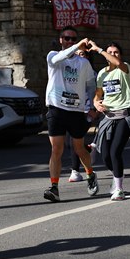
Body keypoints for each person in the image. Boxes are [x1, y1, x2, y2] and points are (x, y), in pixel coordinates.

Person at [44, 26, 99, 202]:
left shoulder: (83, 63)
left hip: (76, 111)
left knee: (79, 148)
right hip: (56, 109)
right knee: (56, 149)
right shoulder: (53, 56)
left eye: (73, 39)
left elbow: (91, 85)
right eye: (67, 38)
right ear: (61, 40)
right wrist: (76, 46)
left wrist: (93, 105)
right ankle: (54, 187)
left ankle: (90, 174)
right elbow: (58, 59)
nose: (70, 41)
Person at [90, 41, 130, 201]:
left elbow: (116, 62)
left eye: (116, 52)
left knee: (115, 151)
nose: (113, 54)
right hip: (108, 117)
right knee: (106, 156)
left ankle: (119, 189)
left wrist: (99, 49)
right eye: (110, 52)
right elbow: (98, 94)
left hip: (124, 115)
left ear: (120, 55)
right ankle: (117, 176)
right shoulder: (102, 73)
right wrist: (96, 103)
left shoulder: (124, 68)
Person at [68, 49, 98, 182]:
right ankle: (88, 149)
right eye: (77, 54)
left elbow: (96, 93)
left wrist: (92, 108)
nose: (79, 57)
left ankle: (75, 171)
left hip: (86, 110)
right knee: (72, 142)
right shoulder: (70, 72)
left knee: (74, 140)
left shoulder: (92, 74)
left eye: (82, 54)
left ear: (87, 57)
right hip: (71, 109)